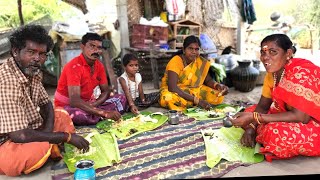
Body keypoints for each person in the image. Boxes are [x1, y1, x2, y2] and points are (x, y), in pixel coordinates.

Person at [0, 25, 89, 176]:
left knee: (61, 114)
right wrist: (64, 137)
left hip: (28, 128)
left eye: (42, 54)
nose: (37, 58)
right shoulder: (6, 81)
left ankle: (49, 145)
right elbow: (19, 136)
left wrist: (47, 133)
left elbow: (46, 104)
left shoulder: (32, 70)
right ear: (15, 51)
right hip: (6, 141)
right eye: (31, 52)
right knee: (32, 153)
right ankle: (48, 148)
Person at [230, 34, 320, 162]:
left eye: (273, 52)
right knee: (247, 112)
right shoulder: (272, 75)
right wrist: (251, 128)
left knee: (275, 134)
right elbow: (263, 106)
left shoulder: (301, 72)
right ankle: (259, 130)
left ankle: (263, 132)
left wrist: (254, 119)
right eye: (263, 52)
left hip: (313, 121)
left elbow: (302, 117)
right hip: (287, 115)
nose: (265, 57)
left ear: (288, 53)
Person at [54, 32, 127, 126]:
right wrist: (103, 113)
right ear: (82, 47)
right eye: (92, 46)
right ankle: (99, 115)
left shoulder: (99, 66)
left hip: (89, 104)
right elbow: (74, 101)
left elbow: (105, 91)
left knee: (121, 98)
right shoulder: (74, 66)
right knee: (78, 115)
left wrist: (95, 105)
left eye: (99, 48)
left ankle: (94, 115)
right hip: (69, 107)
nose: (96, 50)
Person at [159, 35, 229, 111]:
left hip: (194, 91)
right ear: (184, 50)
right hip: (176, 91)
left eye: (196, 49)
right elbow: (172, 87)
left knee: (217, 95)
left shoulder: (199, 62)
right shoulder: (176, 61)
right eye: (190, 48)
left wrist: (218, 85)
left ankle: (191, 102)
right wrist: (197, 101)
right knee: (167, 98)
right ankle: (194, 102)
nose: (194, 52)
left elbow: (208, 80)